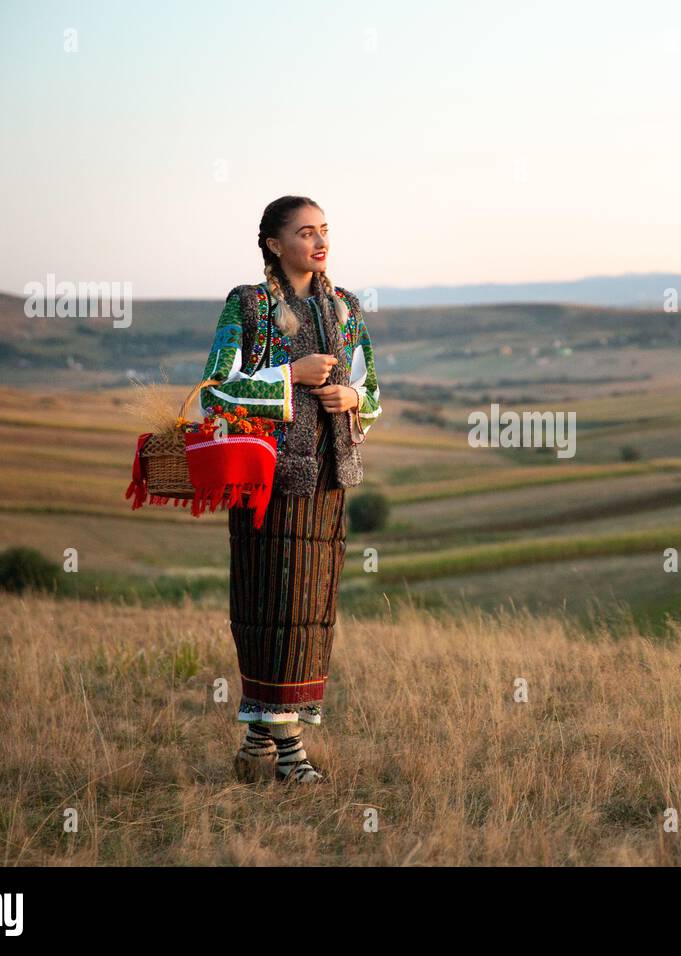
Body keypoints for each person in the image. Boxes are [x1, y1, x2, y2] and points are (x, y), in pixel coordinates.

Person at [197, 195, 381, 783]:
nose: (319, 241)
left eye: (324, 230)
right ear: (275, 245)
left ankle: (260, 737)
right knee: (268, 606)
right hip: (266, 482)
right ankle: (291, 750)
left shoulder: (346, 308)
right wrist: (288, 378)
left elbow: (372, 390)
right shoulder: (247, 306)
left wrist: (350, 398)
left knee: (309, 611)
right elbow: (214, 392)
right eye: (305, 233)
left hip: (330, 480)